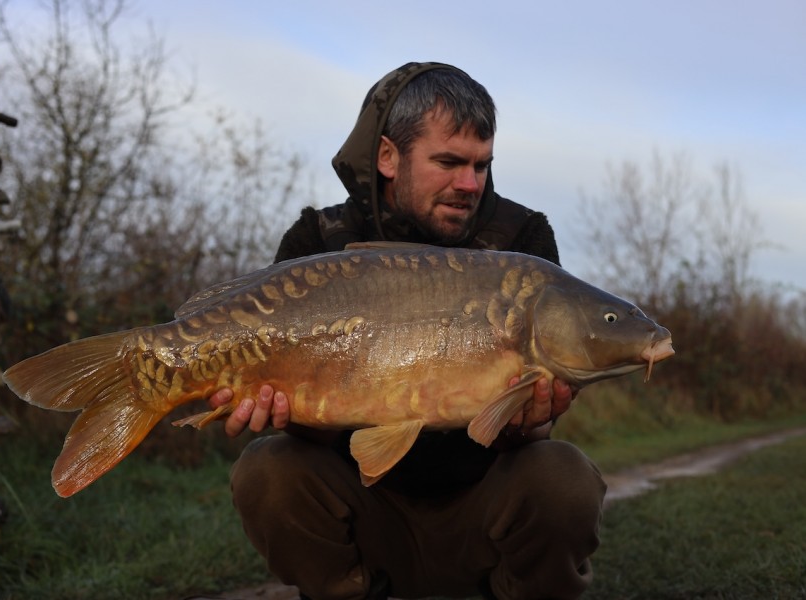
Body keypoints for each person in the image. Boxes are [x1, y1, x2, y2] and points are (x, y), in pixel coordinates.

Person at [208, 62, 606, 600]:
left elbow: (529, 439)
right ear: (389, 157)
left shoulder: (522, 243)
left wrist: (532, 417)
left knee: (562, 474)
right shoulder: (318, 240)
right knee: (269, 469)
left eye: (481, 166)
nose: (469, 184)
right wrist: (291, 413)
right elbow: (307, 439)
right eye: (448, 162)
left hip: (480, 519)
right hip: (367, 519)